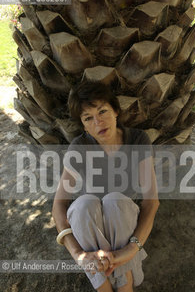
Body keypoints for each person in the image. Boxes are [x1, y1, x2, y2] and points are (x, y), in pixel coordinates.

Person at [52, 81, 159, 292]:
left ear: (116, 111)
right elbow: (59, 204)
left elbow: (151, 201)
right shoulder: (80, 147)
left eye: (103, 111)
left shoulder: (137, 140)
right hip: (90, 223)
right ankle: (102, 283)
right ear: (83, 125)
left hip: (123, 221)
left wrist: (131, 248)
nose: (98, 122)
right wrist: (78, 255)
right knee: (84, 204)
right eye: (88, 118)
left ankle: (124, 280)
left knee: (115, 200)